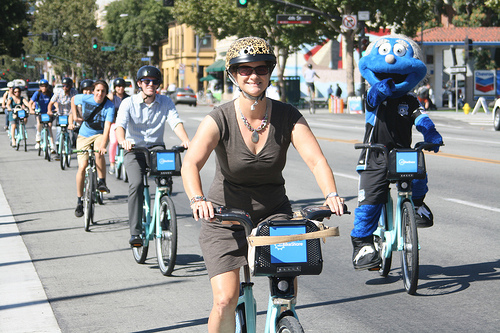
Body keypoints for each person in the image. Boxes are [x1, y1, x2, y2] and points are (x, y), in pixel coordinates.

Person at [181, 37, 345, 332]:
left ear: (270, 72)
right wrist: (197, 199)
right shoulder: (219, 118)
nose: (253, 75)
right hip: (225, 219)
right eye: (244, 69)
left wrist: (331, 194)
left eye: (261, 68)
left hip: (274, 217)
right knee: (225, 299)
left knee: (285, 295)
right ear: (233, 74)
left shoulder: (287, 116)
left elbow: (316, 161)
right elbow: (191, 163)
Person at [354, 34, 443, 270]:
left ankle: (417, 204)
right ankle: (362, 243)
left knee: (420, 175)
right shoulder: (373, 97)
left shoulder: (410, 100)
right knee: (370, 201)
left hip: (402, 155)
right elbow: (373, 96)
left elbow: (421, 118)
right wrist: (382, 87)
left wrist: (431, 134)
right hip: (375, 155)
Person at [115, 66, 190, 247]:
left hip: (156, 149)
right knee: (137, 184)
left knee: (166, 181)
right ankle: (135, 232)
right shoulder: (128, 103)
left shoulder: (165, 101)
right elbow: (120, 125)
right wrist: (122, 140)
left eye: (154, 82)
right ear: (139, 83)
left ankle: (164, 212)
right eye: (146, 81)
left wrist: (187, 140)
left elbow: (175, 121)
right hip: (134, 149)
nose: (151, 84)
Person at [70, 80, 115, 218]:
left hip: (99, 134)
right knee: (82, 166)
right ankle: (79, 201)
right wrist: (75, 116)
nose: (100, 93)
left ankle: (101, 181)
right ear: (93, 91)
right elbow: (73, 99)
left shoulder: (109, 106)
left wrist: (103, 145)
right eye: (98, 90)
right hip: (84, 135)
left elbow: (107, 127)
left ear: (106, 93)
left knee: (98, 152)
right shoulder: (85, 98)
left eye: (103, 91)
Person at [48, 77, 78, 154]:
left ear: (71, 86)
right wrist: (49, 111)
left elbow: (78, 104)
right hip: (61, 115)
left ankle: (73, 143)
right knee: (59, 131)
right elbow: (51, 103)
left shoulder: (74, 93)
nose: (65, 88)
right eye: (63, 86)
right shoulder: (59, 92)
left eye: (67, 86)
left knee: (73, 131)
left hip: (71, 115)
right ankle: (58, 146)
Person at [107, 78, 130, 175]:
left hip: (127, 124)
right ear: (115, 88)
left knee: (130, 143)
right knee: (113, 142)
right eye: (118, 86)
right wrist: (108, 97)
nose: (120, 88)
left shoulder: (128, 98)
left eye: (122, 86)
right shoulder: (112, 98)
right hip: (114, 123)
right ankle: (112, 163)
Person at [29, 79, 53, 149]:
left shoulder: (50, 94)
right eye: (42, 86)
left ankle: (52, 144)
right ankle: (38, 140)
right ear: (40, 87)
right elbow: (30, 102)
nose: (44, 88)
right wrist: (31, 110)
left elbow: (55, 102)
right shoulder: (37, 93)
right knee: (39, 123)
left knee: (49, 126)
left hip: (48, 113)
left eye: (45, 86)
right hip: (39, 112)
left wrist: (56, 109)